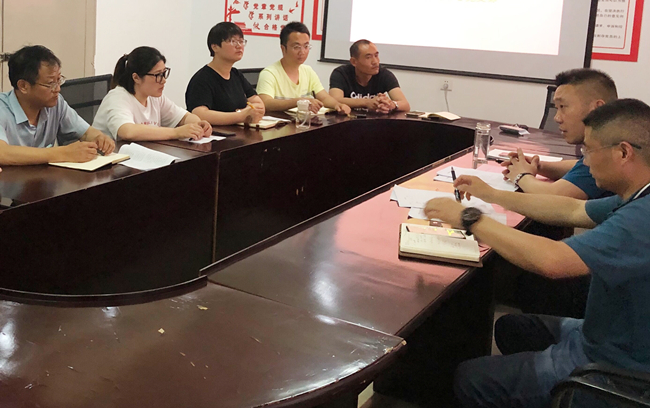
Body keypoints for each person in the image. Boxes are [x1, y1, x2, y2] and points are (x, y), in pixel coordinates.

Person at [424, 98, 650, 408]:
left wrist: (469, 219)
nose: (585, 162)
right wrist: (490, 194)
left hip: (617, 367)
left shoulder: (641, 218)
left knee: (469, 377)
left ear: (623, 152)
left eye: (588, 151)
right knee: (510, 328)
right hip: (605, 332)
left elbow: (553, 261)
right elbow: (571, 210)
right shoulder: (637, 195)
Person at [502, 68, 617, 200]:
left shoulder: (608, 150)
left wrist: (521, 176)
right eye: (557, 108)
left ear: (597, 108)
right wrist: (538, 166)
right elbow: (581, 166)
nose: (557, 118)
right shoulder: (610, 138)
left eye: (563, 107)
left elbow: (553, 197)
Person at [0, 45, 114, 166]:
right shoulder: (2, 108)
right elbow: (2, 153)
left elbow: (86, 133)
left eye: (59, 80)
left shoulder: (56, 103)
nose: (58, 89)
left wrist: (99, 138)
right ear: (23, 86)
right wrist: (62, 153)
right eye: (50, 83)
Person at [93, 46, 212, 141]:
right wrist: (176, 132)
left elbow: (184, 117)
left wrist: (198, 124)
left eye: (164, 73)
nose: (163, 80)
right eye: (158, 75)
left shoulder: (155, 97)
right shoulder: (117, 98)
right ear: (136, 77)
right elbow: (127, 131)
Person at [256, 22, 350, 115]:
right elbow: (266, 103)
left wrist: (337, 105)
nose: (302, 52)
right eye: (297, 47)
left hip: (305, 122)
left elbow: (324, 97)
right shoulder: (269, 73)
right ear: (283, 49)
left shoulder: (308, 71)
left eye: (306, 46)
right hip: (281, 123)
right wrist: (300, 101)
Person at [186, 22, 265, 126]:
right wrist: (241, 115)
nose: (239, 46)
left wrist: (246, 113)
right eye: (233, 41)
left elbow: (259, 104)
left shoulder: (236, 74)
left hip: (239, 132)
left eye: (241, 41)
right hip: (215, 133)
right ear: (215, 47)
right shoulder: (202, 79)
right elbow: (199, 114)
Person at [329, 39, 410, 114]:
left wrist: (391, 104)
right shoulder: (341, 73)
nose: (375, 62)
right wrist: (367, 102)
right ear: (354, 62)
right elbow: (334, 100)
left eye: (376, 56)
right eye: (368, 57)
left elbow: (405, 105)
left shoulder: (384, 74)